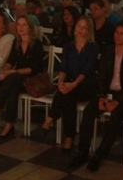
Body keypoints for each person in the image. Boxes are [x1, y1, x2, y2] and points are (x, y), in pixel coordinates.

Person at [70, 22, 123, 171]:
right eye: (116, 32)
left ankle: (99, 155)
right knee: (89, 112)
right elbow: (101, 76)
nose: (117, 36)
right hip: (107, 92)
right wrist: (102, 96)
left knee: (115, 117)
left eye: (122, 33)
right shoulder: (108, 51)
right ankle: (82, 152)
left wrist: (117, 101)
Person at [38, 15, 99, 152]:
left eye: (84, 28)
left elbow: (86, 71)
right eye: (79, 26)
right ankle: (69, 137)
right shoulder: (68, 46)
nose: (80, 30)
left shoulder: (93, 47)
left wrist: (73, 84)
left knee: (67, 94)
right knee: (67, 96)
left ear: (89, 30)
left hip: (87, 84)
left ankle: (50, 119)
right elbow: (63, 68)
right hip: (70, 83)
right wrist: (60, 83)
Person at [0, 15, 46, 140]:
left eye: (24, 24)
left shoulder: (37, 44)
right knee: (13, 89)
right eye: (18, 24)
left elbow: (33, 69)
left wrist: (12, 72)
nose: (20, 27)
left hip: (32, 80)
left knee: (12, 79)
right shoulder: (16, 42)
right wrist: (5, 71)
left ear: (30, 27)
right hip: (17, 80)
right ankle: (8, 126)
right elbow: (10, 61)